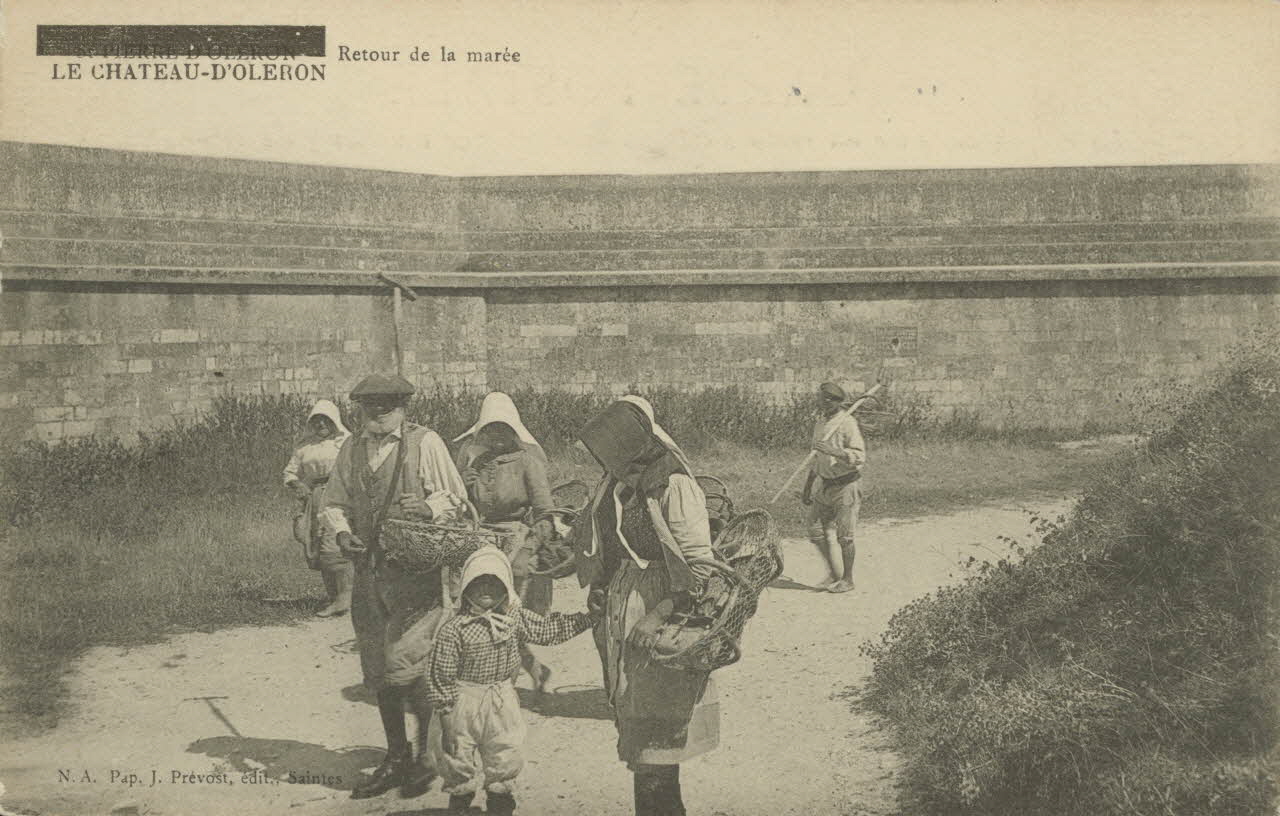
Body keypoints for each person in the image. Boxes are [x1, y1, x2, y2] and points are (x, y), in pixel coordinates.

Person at [320, 373, 468, 800]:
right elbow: (334, 502)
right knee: (378, 667)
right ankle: (397, 755)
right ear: (359, 410)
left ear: (403, 407)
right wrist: (342, 533)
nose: (378, 413)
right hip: (368, 573)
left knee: (410, 665)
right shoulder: (351, 447)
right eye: (370, 407)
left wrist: (427, 506)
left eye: (387, 406)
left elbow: (455, 497)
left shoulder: (426, 443)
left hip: (415, 575)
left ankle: (425, 757)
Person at [576, 395, 720, 816]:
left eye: (613, 448)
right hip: (626, 610)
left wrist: (659, 613)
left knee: (659, 750)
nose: (608, 459)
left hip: (665, 609)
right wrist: (601, 586)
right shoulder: (617, 484)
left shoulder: (672, 484)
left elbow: (702, 567)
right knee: (641, 749)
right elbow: (607, 543)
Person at [426, 547, 599, 815]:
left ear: (507, 586)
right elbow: (441, 677)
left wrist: (589, 618)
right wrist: (447, 722)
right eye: (478, 582)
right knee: (457, 758)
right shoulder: (453, 629)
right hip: (463, 702)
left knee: (505, 753)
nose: (486, 589)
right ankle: (460, 803)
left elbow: (547, 629)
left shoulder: (513, 618)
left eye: (494, 583)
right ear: (466, 586)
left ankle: (500, 805)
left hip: (501, 698)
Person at [453, 392, 558, 692]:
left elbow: (546, 515)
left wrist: (528, 549)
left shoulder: (527, 462)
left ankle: (502, 686)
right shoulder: (475, 462)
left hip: (515, 540)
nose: (497, 437)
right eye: (490, 430)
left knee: (507, 617)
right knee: (479, 616)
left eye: (503, 429)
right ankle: (534, 670)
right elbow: (461, 508)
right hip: (481, 539)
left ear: (514, 431)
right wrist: (466, 487)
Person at [283, 399, 353, 617]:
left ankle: (345, 597)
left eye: (326, 419)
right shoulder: (304, 447)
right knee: (317, 546)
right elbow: (289, 472)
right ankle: (333, 597)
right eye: (316, 420)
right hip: (314, 499)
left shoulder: (346, 442)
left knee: (336, 545)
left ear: (334, 420)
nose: (321, 424)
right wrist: (298, 485)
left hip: (340, 495)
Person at [801, 380, 866, 594]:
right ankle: (834, 573)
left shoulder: (847, 423)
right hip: (825, 485)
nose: (825, 403)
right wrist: (808, 486)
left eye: (830, 400)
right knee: (814, 527)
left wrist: (834, 451)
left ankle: (848, 579)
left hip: (846, 485)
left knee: (844, 536)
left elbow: (859, 456)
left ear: (838, 402)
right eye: (822, 399)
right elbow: (816, 458)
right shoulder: (821, 423)